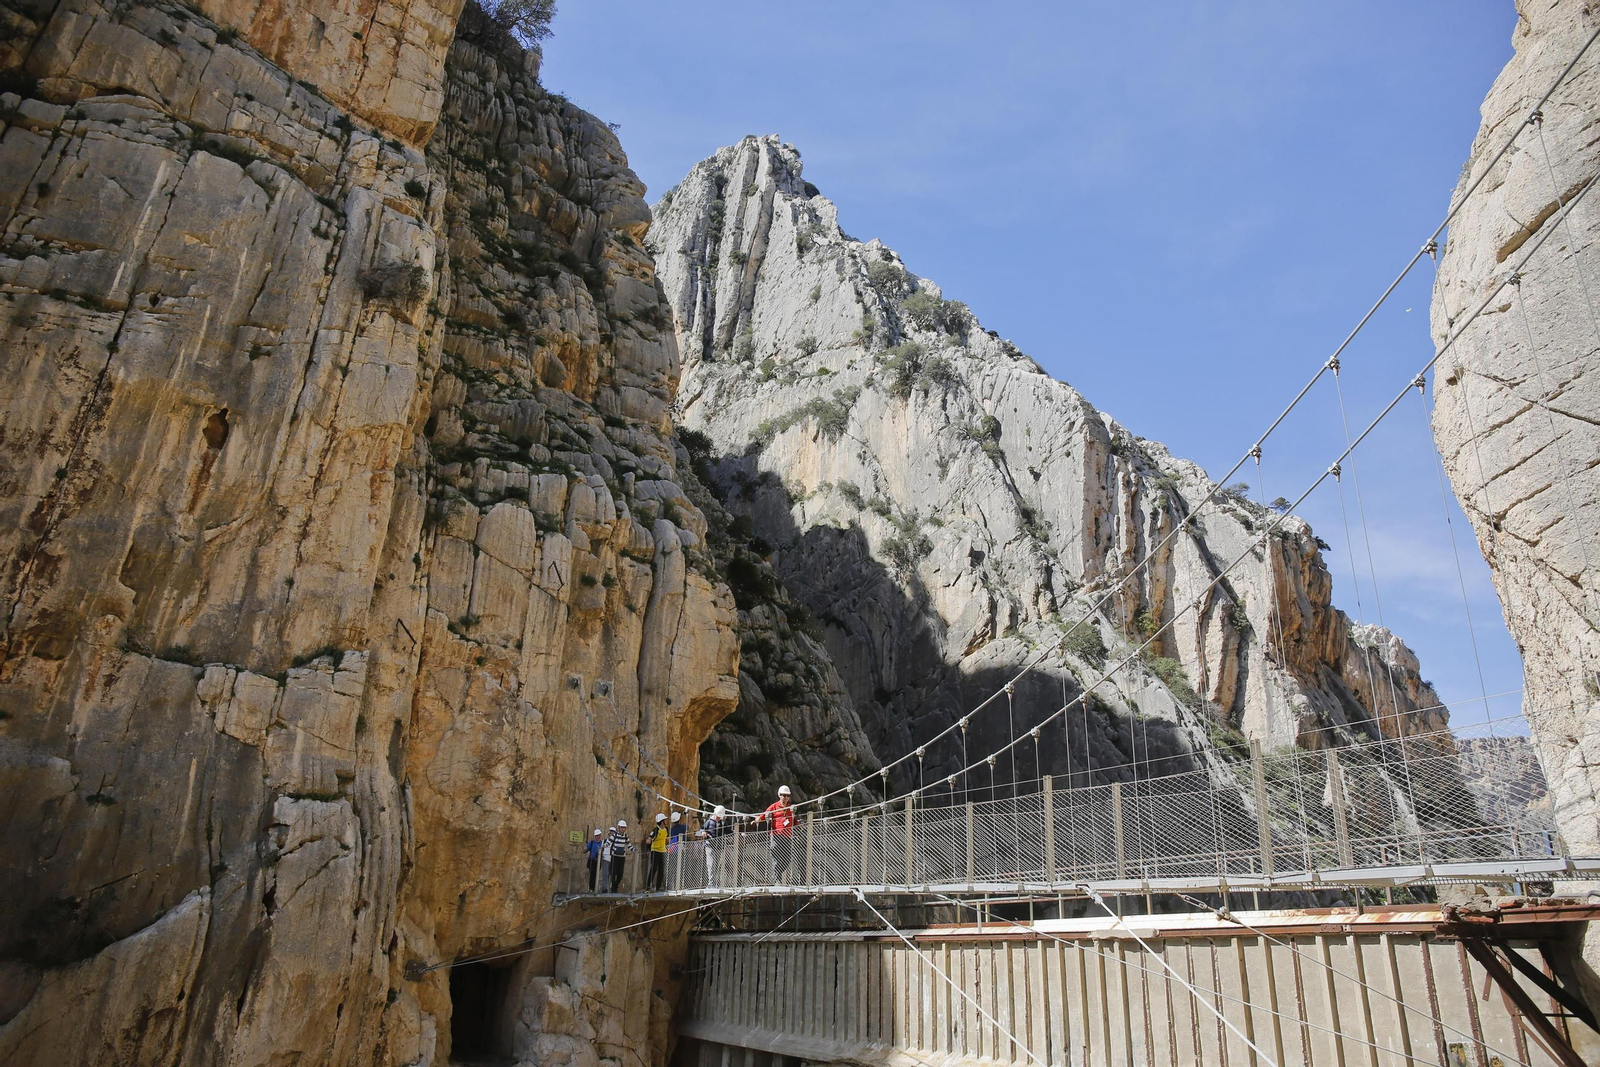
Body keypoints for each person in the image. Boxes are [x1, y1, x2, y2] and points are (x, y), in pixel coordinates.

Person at [755, 785, 795, 884]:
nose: (785, 797)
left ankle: (777, 875)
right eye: (783, 795)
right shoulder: (774, 806)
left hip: (788, 836)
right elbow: (766, 814)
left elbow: (792, 819)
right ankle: (777, 880)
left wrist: (799, 823)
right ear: (779, 795)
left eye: (787, 795)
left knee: (787, 859)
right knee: (777, 858)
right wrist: (758, 819)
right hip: (776, 836)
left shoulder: (791, 808)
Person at [698, 805, 731, 885]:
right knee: (711, 864)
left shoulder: (723, 823)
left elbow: (729, 831)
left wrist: (739, 834)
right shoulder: (709, 822)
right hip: (710, 846)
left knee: (716, 866)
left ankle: (715, 883)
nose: (719, 818)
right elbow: (702, 829)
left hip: (720, 846)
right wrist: (703, 832)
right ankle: (711, 883)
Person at [646, 812, 669, 890]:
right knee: (654, 868)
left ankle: (658, 887)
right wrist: (648, 841)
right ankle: (648, 886)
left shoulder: (666, 830)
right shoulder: (655, 830)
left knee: (661, 870)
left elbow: (667, 839)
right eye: (665, 820)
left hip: (662, 851)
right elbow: (649, 838)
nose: (666, 821)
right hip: (655, 851)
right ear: (662, 821)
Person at [606, 821, 631, 892]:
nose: (623, 829)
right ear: (619, 828)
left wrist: (634, 850)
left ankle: (615, 886)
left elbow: (629, 845)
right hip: (615, 856)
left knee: (620, 874)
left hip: (622, 857)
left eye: (624, 828)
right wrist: (604, 846)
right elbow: (609, 841)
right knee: (613, 873)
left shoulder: (626, 836)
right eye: (622, 828)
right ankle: (613, 888)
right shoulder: (615, 836)